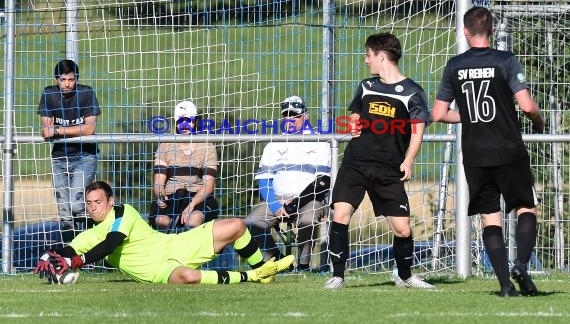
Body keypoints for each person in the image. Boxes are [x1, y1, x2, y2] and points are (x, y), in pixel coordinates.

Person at [432, 6, 544, 297]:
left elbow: (439, 113)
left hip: (475, 154)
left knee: (490, 217)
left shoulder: (454, 65)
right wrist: (539, 121)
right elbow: (528, 105)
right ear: (492, 30)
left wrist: (468, 115)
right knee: (525, 207)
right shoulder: (505, 60)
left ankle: (506, 285)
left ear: (466, 32)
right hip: (508, 149)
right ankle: (520, 263)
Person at [324, 33, 433, 289]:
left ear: (381, 56)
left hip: (388, 168)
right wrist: (354, 124)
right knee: (341, 213)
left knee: (402, 229)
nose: (366, 60)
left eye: (369, 55)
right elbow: (354, 114)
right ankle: (337, 275)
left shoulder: (413, 92)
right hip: (356, 162)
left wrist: (409, 160)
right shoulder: (366, 86)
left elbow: (418, 133)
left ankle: (405, 276)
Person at [33, 180, 294, 285]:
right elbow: (70, 248)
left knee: (236, 225)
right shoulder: (88, 234)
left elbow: (111, 244)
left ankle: (264, 272)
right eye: (89, 204)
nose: (93, 208)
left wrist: (74, 262)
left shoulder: (124, 212)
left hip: (176, 245)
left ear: (110, 201)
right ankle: (252, 275)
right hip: (158, 272)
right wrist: (51, 255)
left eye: (98, 202)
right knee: (190, 278)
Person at [245, 96, 331, 271]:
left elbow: (323, 181)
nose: (290, 119)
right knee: (252, 222)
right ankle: (279, 261)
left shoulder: (321, 141)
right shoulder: (274, 143)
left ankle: (304, 264)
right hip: (278, 199)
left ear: (306, 116)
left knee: (308, 219)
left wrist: (293, 205)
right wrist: (276, 205)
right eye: (287, 115)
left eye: (295, 115)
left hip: (309, 199)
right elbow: (264, 180)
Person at [37, 59, 101, 242]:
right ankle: (69, 251)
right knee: (64, 212)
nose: (67, 84)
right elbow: (46, 130)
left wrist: (58, 130)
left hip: (84, 156)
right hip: (59, 157)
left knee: (77, 204)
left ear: (76, 79)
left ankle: (90, 245)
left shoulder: (86, 93)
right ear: (56, 79)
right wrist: (58, 131)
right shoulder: (49, 94)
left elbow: (89, 129)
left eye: (71, 80)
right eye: (63, 80)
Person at [148, 100, 219, 232]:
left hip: (198, 197)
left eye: (189, 120)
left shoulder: (207, 146)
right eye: (181, 121)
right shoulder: (165, 145)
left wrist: (192, 205)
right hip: (172, 195)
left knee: (193, 221)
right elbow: (158, 183)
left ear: (196, 121)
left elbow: (208, 186)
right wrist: (161, 196)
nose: (185, 125)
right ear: (175, 122)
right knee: (162, 221)